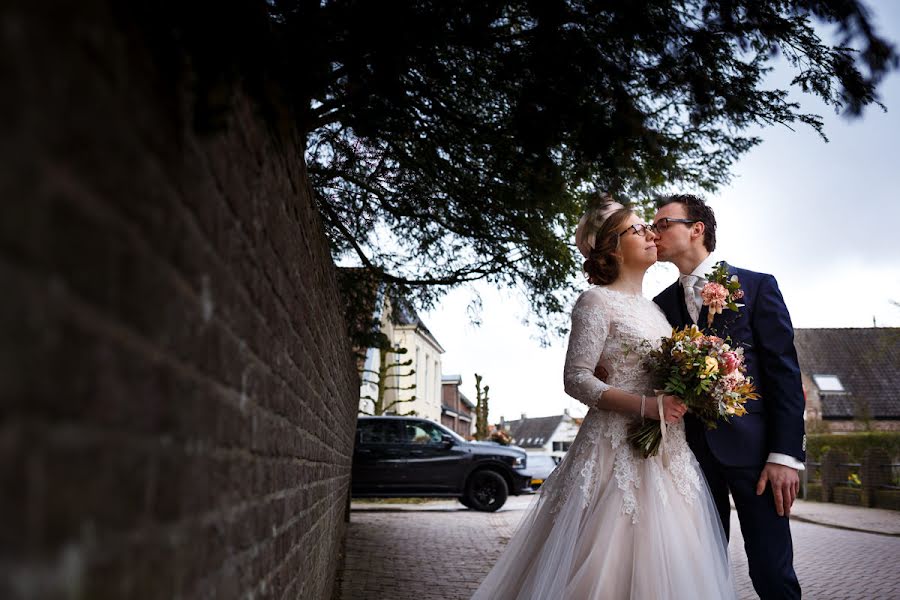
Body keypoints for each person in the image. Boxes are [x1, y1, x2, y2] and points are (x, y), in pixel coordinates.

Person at [472, 199, 737, 600]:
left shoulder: (657, 312)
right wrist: (648, 407)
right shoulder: (595, 302)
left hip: (667, 453)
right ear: (613, 247)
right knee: (604, 563)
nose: (651, 234)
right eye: (638, 230)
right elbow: (576, 378)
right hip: (616, 451)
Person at [651, 194, 805, 599]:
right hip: (689, 462)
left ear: (696, 229)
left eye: (663, 223)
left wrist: (785, 456)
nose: (655, 233)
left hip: (757, 460)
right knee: (700, 573)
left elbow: (784, 375)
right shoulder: (659, 306)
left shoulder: (756, 286)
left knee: (773, 574)